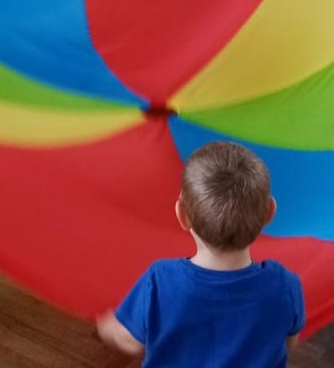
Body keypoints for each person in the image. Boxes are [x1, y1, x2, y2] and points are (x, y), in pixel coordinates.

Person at [96, 141, 304, 366]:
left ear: (182, 214)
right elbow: (289, 341)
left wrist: (109, 327)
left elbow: (131, 342)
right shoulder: (285, 285)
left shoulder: (160, 281)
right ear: (269, 213)